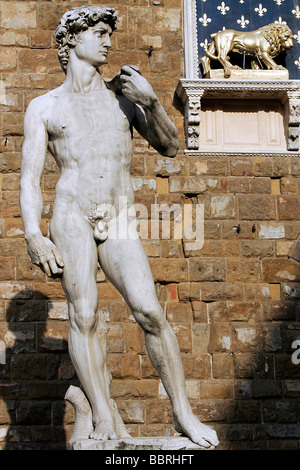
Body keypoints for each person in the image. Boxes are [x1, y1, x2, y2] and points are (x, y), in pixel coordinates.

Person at [19, 5, 218, 448]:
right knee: (83, 314)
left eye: (110, 33)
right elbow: (29, 179)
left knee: (149, 310)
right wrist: (33, 233)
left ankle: (184, 414)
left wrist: (150, 101)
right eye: (101, 33)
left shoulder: (124, 96)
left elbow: (170, 147)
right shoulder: (44, 106)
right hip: (71, 216)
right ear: (73, 40)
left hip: (119, 215)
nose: (109, 41)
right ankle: (105, 417)